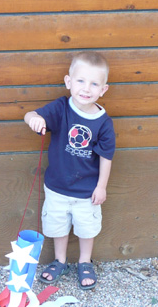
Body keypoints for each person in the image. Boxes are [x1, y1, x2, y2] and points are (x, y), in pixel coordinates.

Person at [24, 51, 115, 290]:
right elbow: (30, 114)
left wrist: (101, 186)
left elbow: (106, 157)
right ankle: (60, 260)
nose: (86, 88)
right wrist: (33, 119)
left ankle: (85, 261)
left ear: (103, 90)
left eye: (94, 83)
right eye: (81, 81)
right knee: (57, 226)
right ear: (68, 82)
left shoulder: (103, 122)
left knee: (87, 228)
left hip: (87, 191)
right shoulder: (61, 108)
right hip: (57, 187)